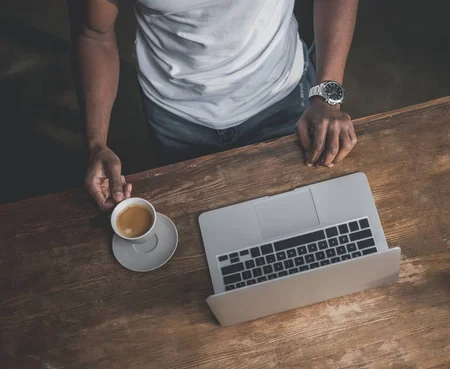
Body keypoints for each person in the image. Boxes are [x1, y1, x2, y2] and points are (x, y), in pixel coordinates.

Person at [77, 0, 358, 211]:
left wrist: (327, 95)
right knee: (204, 240)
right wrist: (96, 143)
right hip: (175, 117)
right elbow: (95, 34)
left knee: (306, 223)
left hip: (280, 95)